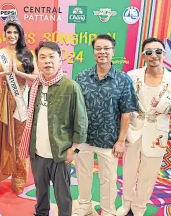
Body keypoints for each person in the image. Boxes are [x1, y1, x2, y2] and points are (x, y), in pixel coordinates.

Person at [116, 38, 171, 216]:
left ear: (164, 54)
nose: (153, 55)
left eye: (158, 51)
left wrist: (166, 105)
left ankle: (139, 207)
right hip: (133, 131)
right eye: (148, 52)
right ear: (143, 56)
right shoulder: (132, 75)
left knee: (148, 176)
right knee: (129, 171)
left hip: (157, 135)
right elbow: (123, 102)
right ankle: (126, 204)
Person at [18, 41, 88, 216]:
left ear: (59, 60)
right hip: (38, 153)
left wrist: (74, 149)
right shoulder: (36, 85)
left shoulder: (70, 87)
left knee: (62, 196)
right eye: (42, 57)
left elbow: (81, 121)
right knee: (40, 192)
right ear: (37, 62)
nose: (47, 61)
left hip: (60, 152)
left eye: (51, 57)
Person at [73, 34, 138, 216]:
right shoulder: (82, 77)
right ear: (93, 52)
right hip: (84, 138)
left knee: (108, 179)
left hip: (109, 140)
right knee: (83, 175)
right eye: (98, 48)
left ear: (113, 51)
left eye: (106, 48)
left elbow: (126, 112)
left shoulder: (123, 79)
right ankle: (85, 206)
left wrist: (120, 141)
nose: (102, 52)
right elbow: (76, 108)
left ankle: (108, 211)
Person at [0, 14, 38, 195]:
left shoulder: (27, 54)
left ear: (20, 34)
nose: (12, 35)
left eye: (15, 32)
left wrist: (19, 74)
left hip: (22, 103)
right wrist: (4, 74)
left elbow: (36, 77)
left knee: (20, 143)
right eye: (9, 32)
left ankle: (19, 180)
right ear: (4, 34)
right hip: (2, 103)